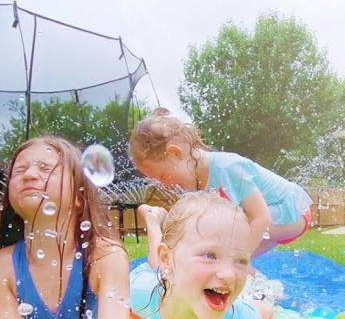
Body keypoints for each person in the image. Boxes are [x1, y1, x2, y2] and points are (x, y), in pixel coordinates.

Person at [0, 136, 130, 319]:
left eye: (45, 169)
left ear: (79, 197)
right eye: (19, 170)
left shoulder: (105, 257)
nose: (30, 175)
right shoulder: (1, 267)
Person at [129, 108, 312, 256]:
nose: (166, 184)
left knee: (225, 237)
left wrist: (239, 261)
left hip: (293, 210)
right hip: (271, 221)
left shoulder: (227, 168)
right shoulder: (193, 183)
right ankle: (253, 285)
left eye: (162, 176)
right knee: (216, 242)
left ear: (176, 154)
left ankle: (239, 268)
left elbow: (261, 217)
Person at [130, 191, 274, 319]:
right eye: (209, 255)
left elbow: (267, 316)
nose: (229, 275)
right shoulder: (138, 292)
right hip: (159, 276)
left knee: (167, 266)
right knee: (159, 266)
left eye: (240, 261)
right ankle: (153, 220)